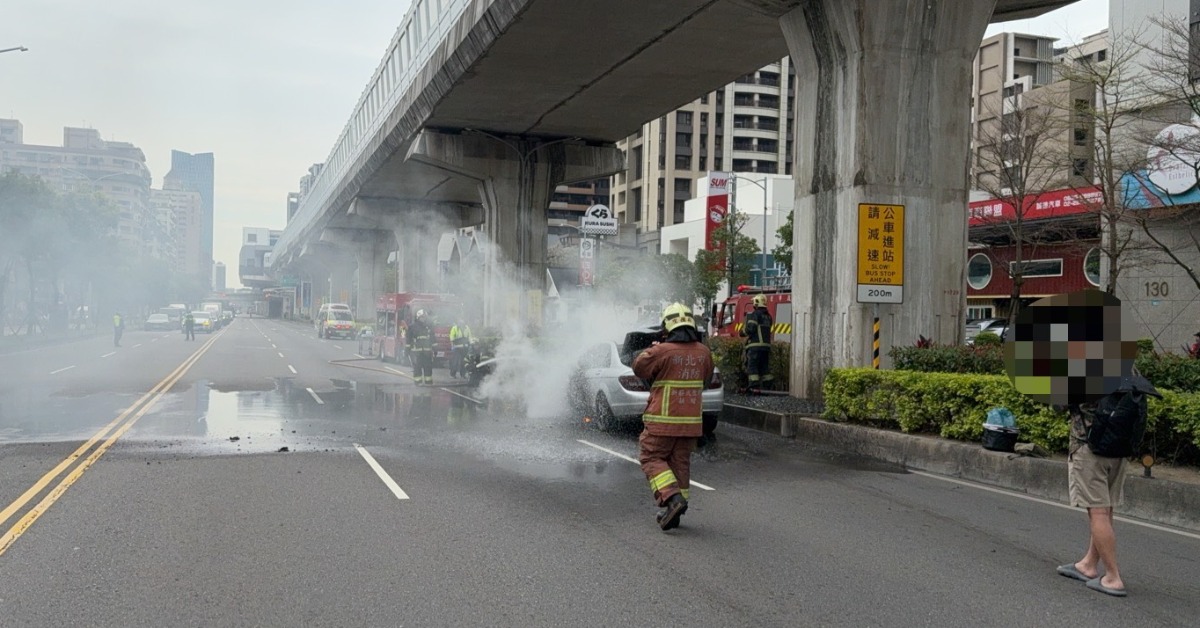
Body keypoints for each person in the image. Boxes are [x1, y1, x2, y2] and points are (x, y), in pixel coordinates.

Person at [633, 302, 714, 531]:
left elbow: (639, 368)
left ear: (667, 326)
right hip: (690, 425)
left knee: (651, 457)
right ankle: (676, 511)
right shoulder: (704, 352)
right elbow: (705, 382)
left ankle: (671, 498)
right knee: (680, 464)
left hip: (661, 421)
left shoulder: (661, 351)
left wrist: (653, 348)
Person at [1057, 402, 1129, 597]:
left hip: (1089, 446)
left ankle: (1113, 578)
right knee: (1105, 510)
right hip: (1119, 447)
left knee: (1097, 512)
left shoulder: (1081, 371)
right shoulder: (1128, 370)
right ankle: (1088, 564)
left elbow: (1058, 403)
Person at [740, 294, 773, 392]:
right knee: (764, 367)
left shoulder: (755, 314)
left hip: (755, 346)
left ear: (757, 303)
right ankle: (768, 386)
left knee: (752, 366)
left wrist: (742, 332)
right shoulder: (768, 316)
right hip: (766, 347)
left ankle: (753, 386)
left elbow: (751, 328)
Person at [407, 309, 434, 386]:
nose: (423, 319)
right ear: (418, 317)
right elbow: (408, 339)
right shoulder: (412, 327)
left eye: (424, 317)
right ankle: (418, 382)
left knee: (428, 367)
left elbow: (433, 338)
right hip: (416, 352)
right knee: (417, 368)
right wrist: (407, 349)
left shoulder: (428, 326)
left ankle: (428, 382)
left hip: (427, 352)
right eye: (422, 317)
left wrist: (435, 348)